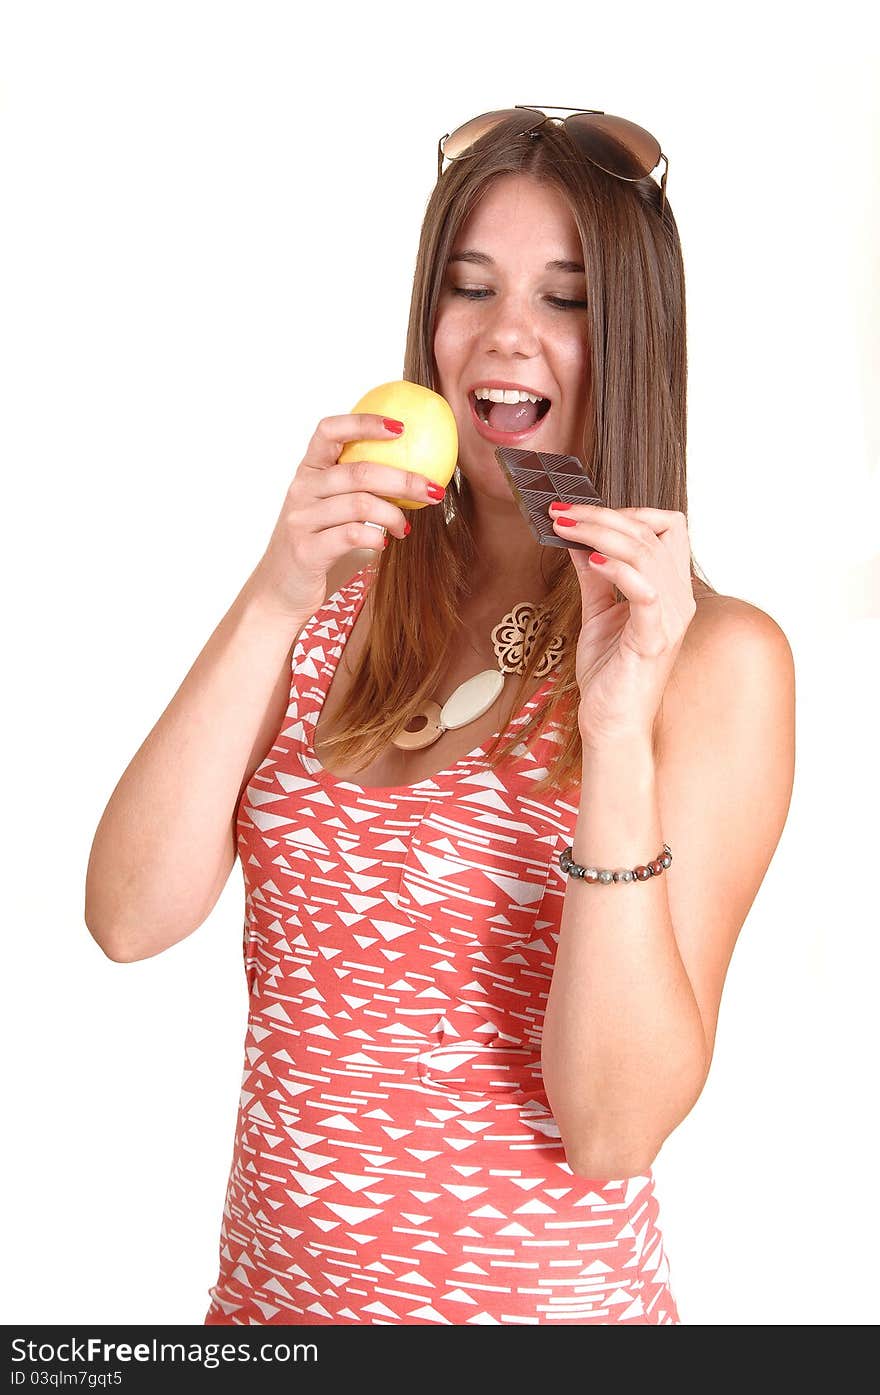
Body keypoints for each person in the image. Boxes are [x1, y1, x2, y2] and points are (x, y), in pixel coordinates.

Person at [84, 106, 796, 1326]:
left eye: (565, 299)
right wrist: (273, 592)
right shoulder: (341, 585)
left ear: (634, 341)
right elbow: (128, 918)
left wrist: (614, 729)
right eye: (470, 288)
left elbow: (612, 1129)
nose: (507, 334)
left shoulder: (716, 662)